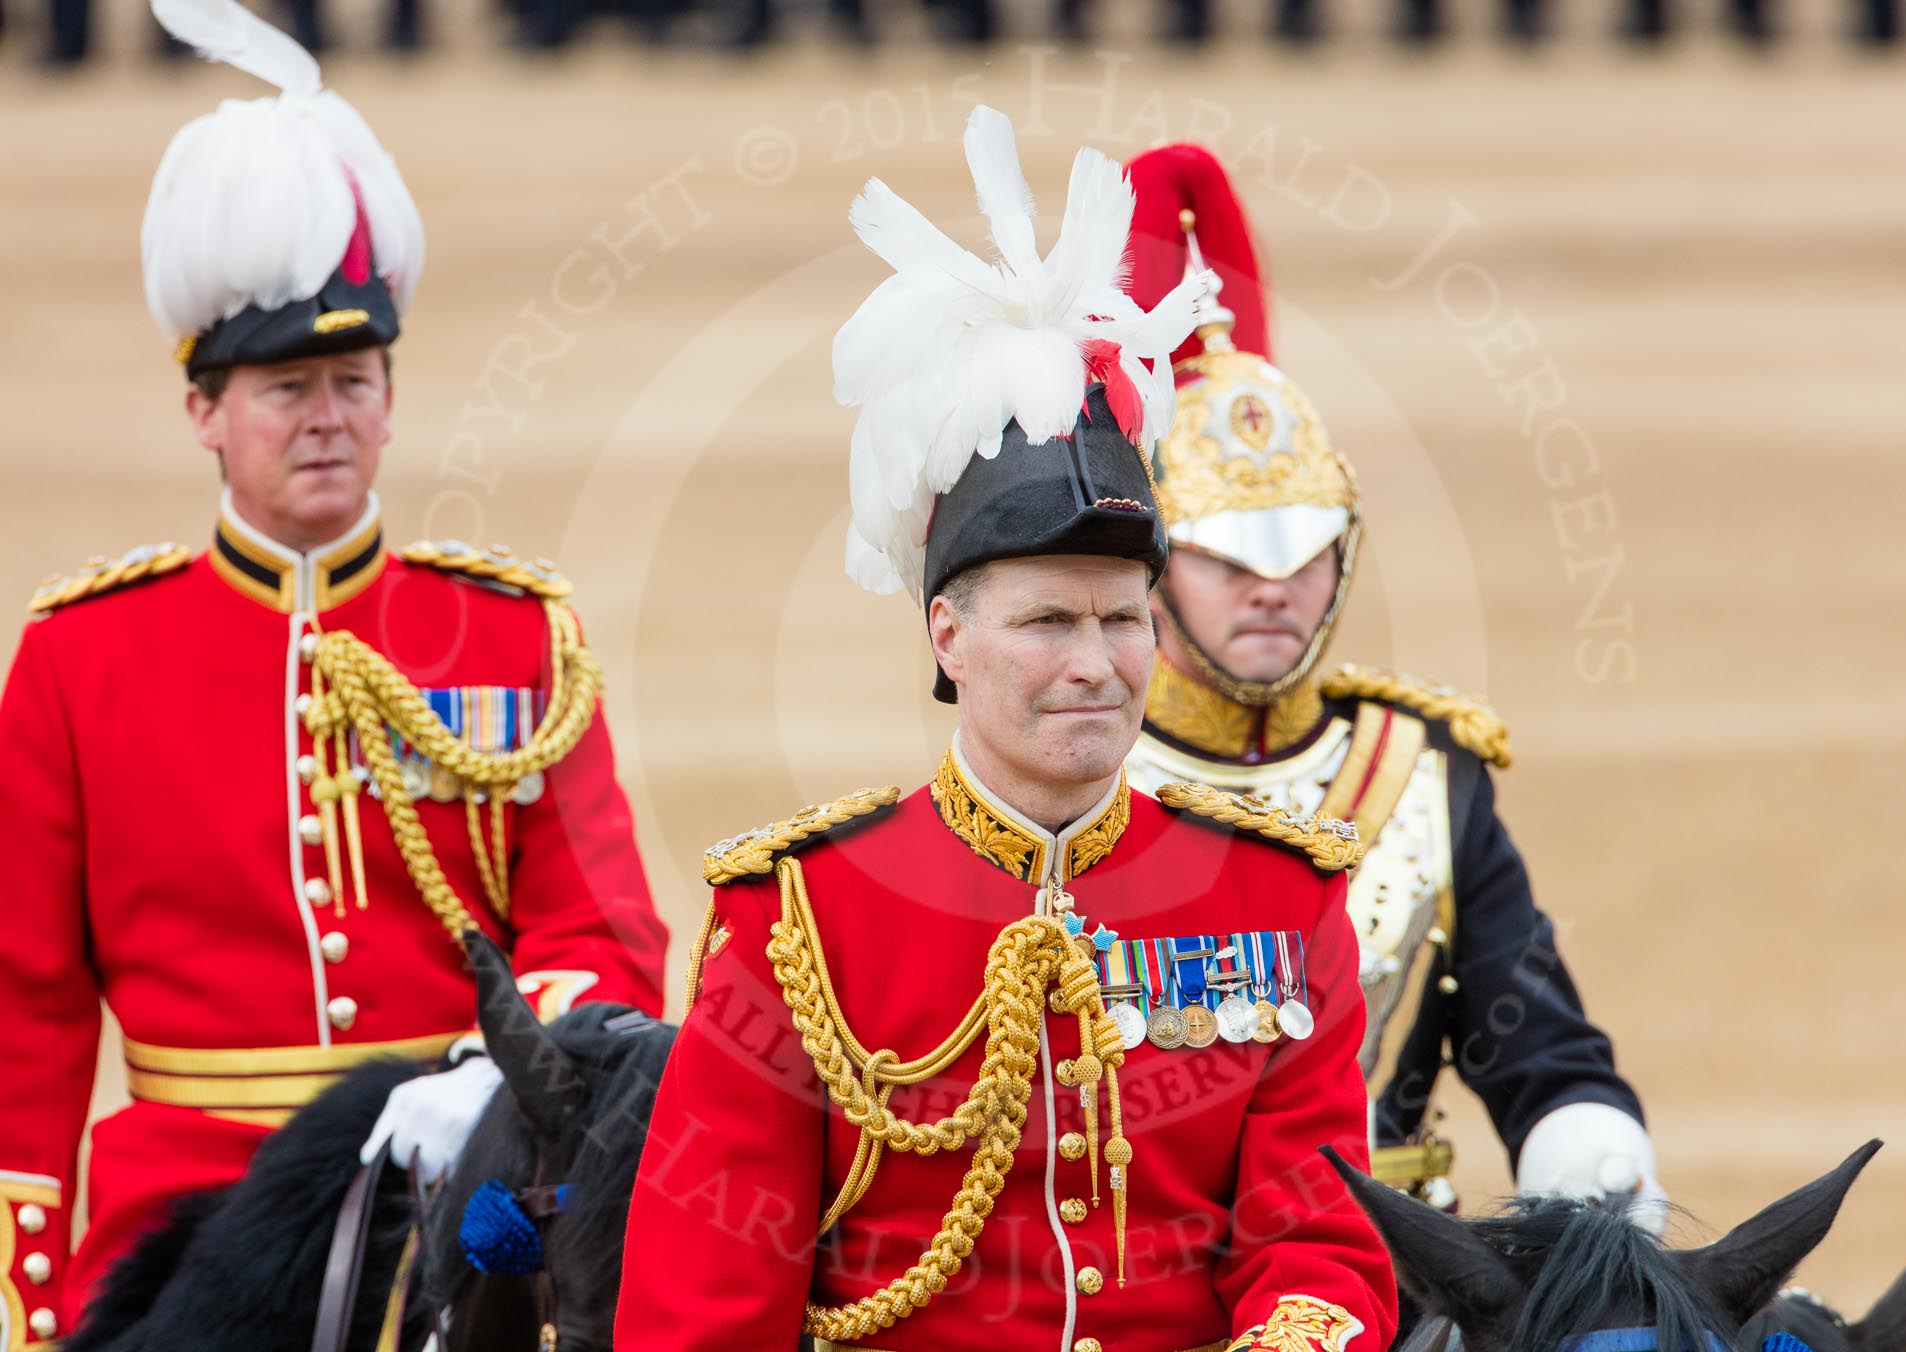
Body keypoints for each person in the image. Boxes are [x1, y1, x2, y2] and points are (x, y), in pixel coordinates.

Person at [614, 108, 1397, 1352]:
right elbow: (703, 1309)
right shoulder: (796, 921)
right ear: (948, 639)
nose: (1094, 664)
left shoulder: (1279, 897)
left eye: (1122, 619)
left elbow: (1322, 1243)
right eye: (1045, 620)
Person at [0, 5, 667, 1345]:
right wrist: (26, 1305)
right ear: (203, 411)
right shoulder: (82, 661)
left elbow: (604, 937)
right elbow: (28, 1017)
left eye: (354, 379)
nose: (326, 416)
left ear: (392, 393)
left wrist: (490, 1083)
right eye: (284, 387)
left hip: (457, 1181)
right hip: (185, 1215)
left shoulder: (512, 636)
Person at [1119, 145, 1660, 1225]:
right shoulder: (1074, 763)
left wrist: (1590, 1158)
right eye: (1230, 559)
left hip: (1401, 1270)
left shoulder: (1420, 771)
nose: (1273, 589)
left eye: (1302, 553)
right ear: (1154, 562)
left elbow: (1537, 1049)